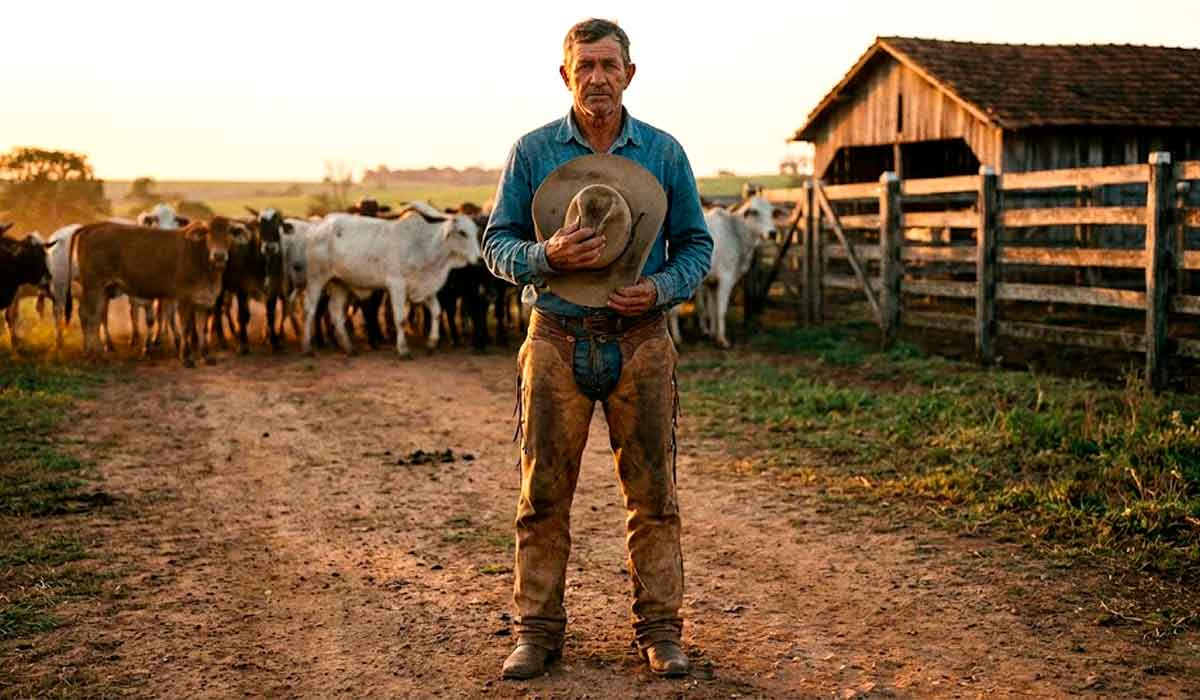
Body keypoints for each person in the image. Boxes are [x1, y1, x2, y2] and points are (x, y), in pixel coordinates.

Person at [482, 17, 712, 680]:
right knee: (542, 493)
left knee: (655, 493)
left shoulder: (664, 155)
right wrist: (543, 254)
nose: (598, 77)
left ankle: (661, 631)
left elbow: (697, 243)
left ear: (630, 74)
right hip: (554, 337)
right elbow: (494, 244)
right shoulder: (532, 153)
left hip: (640, 341)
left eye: (610, 65)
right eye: (585, 66)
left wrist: (663, 288)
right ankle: (537, 632)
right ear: (565, 75)